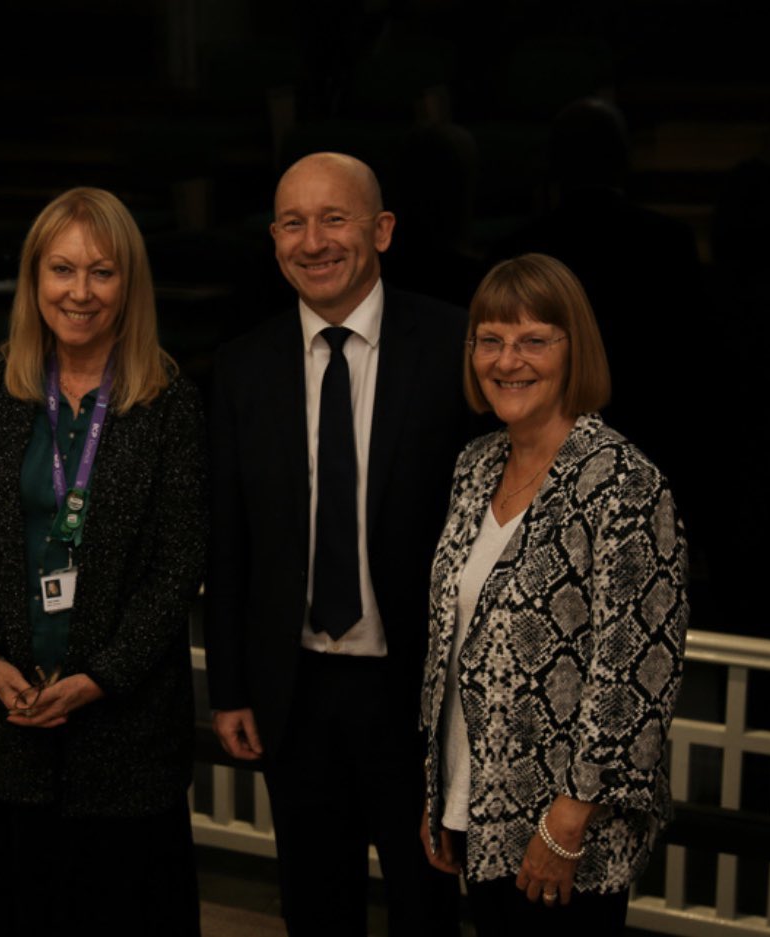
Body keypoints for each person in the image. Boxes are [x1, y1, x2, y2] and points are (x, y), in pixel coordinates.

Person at [205, 152, 472, 936]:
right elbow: (230, 540)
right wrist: (229, 686)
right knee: (316, 908)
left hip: (414, 693)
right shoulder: (243, 366)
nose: (312, 240)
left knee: (426, 908)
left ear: (381, 230)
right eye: (293, 221)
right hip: (295, 692)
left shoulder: (455, 346)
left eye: (334, 218)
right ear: (274, 238)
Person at [0, 187, 207, 937]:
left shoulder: (169, 399)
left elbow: (180, 562)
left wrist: (100, 677)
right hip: (11, 723)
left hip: (128, 739)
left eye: (102, 272)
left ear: (130, 285)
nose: (80, 291)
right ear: (34, 279)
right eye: (62, 269)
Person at [420, 253, 688, 936]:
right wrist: (441, 787)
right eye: (490, 339)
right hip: (479, 804)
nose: (508, 360)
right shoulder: (476, 466)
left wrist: (567, 821)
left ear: (575, 351)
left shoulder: (622, 481)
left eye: (534, 339)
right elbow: (455, 643)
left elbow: (635, 672)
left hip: (566, 833)